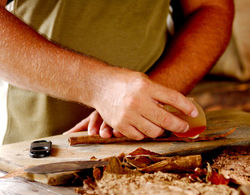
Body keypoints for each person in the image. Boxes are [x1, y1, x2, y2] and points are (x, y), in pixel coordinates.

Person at [0, 0, 234, 144]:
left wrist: (150, 100)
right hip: (39, 145)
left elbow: (210, 7)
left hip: (147, 144)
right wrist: (99, 87)